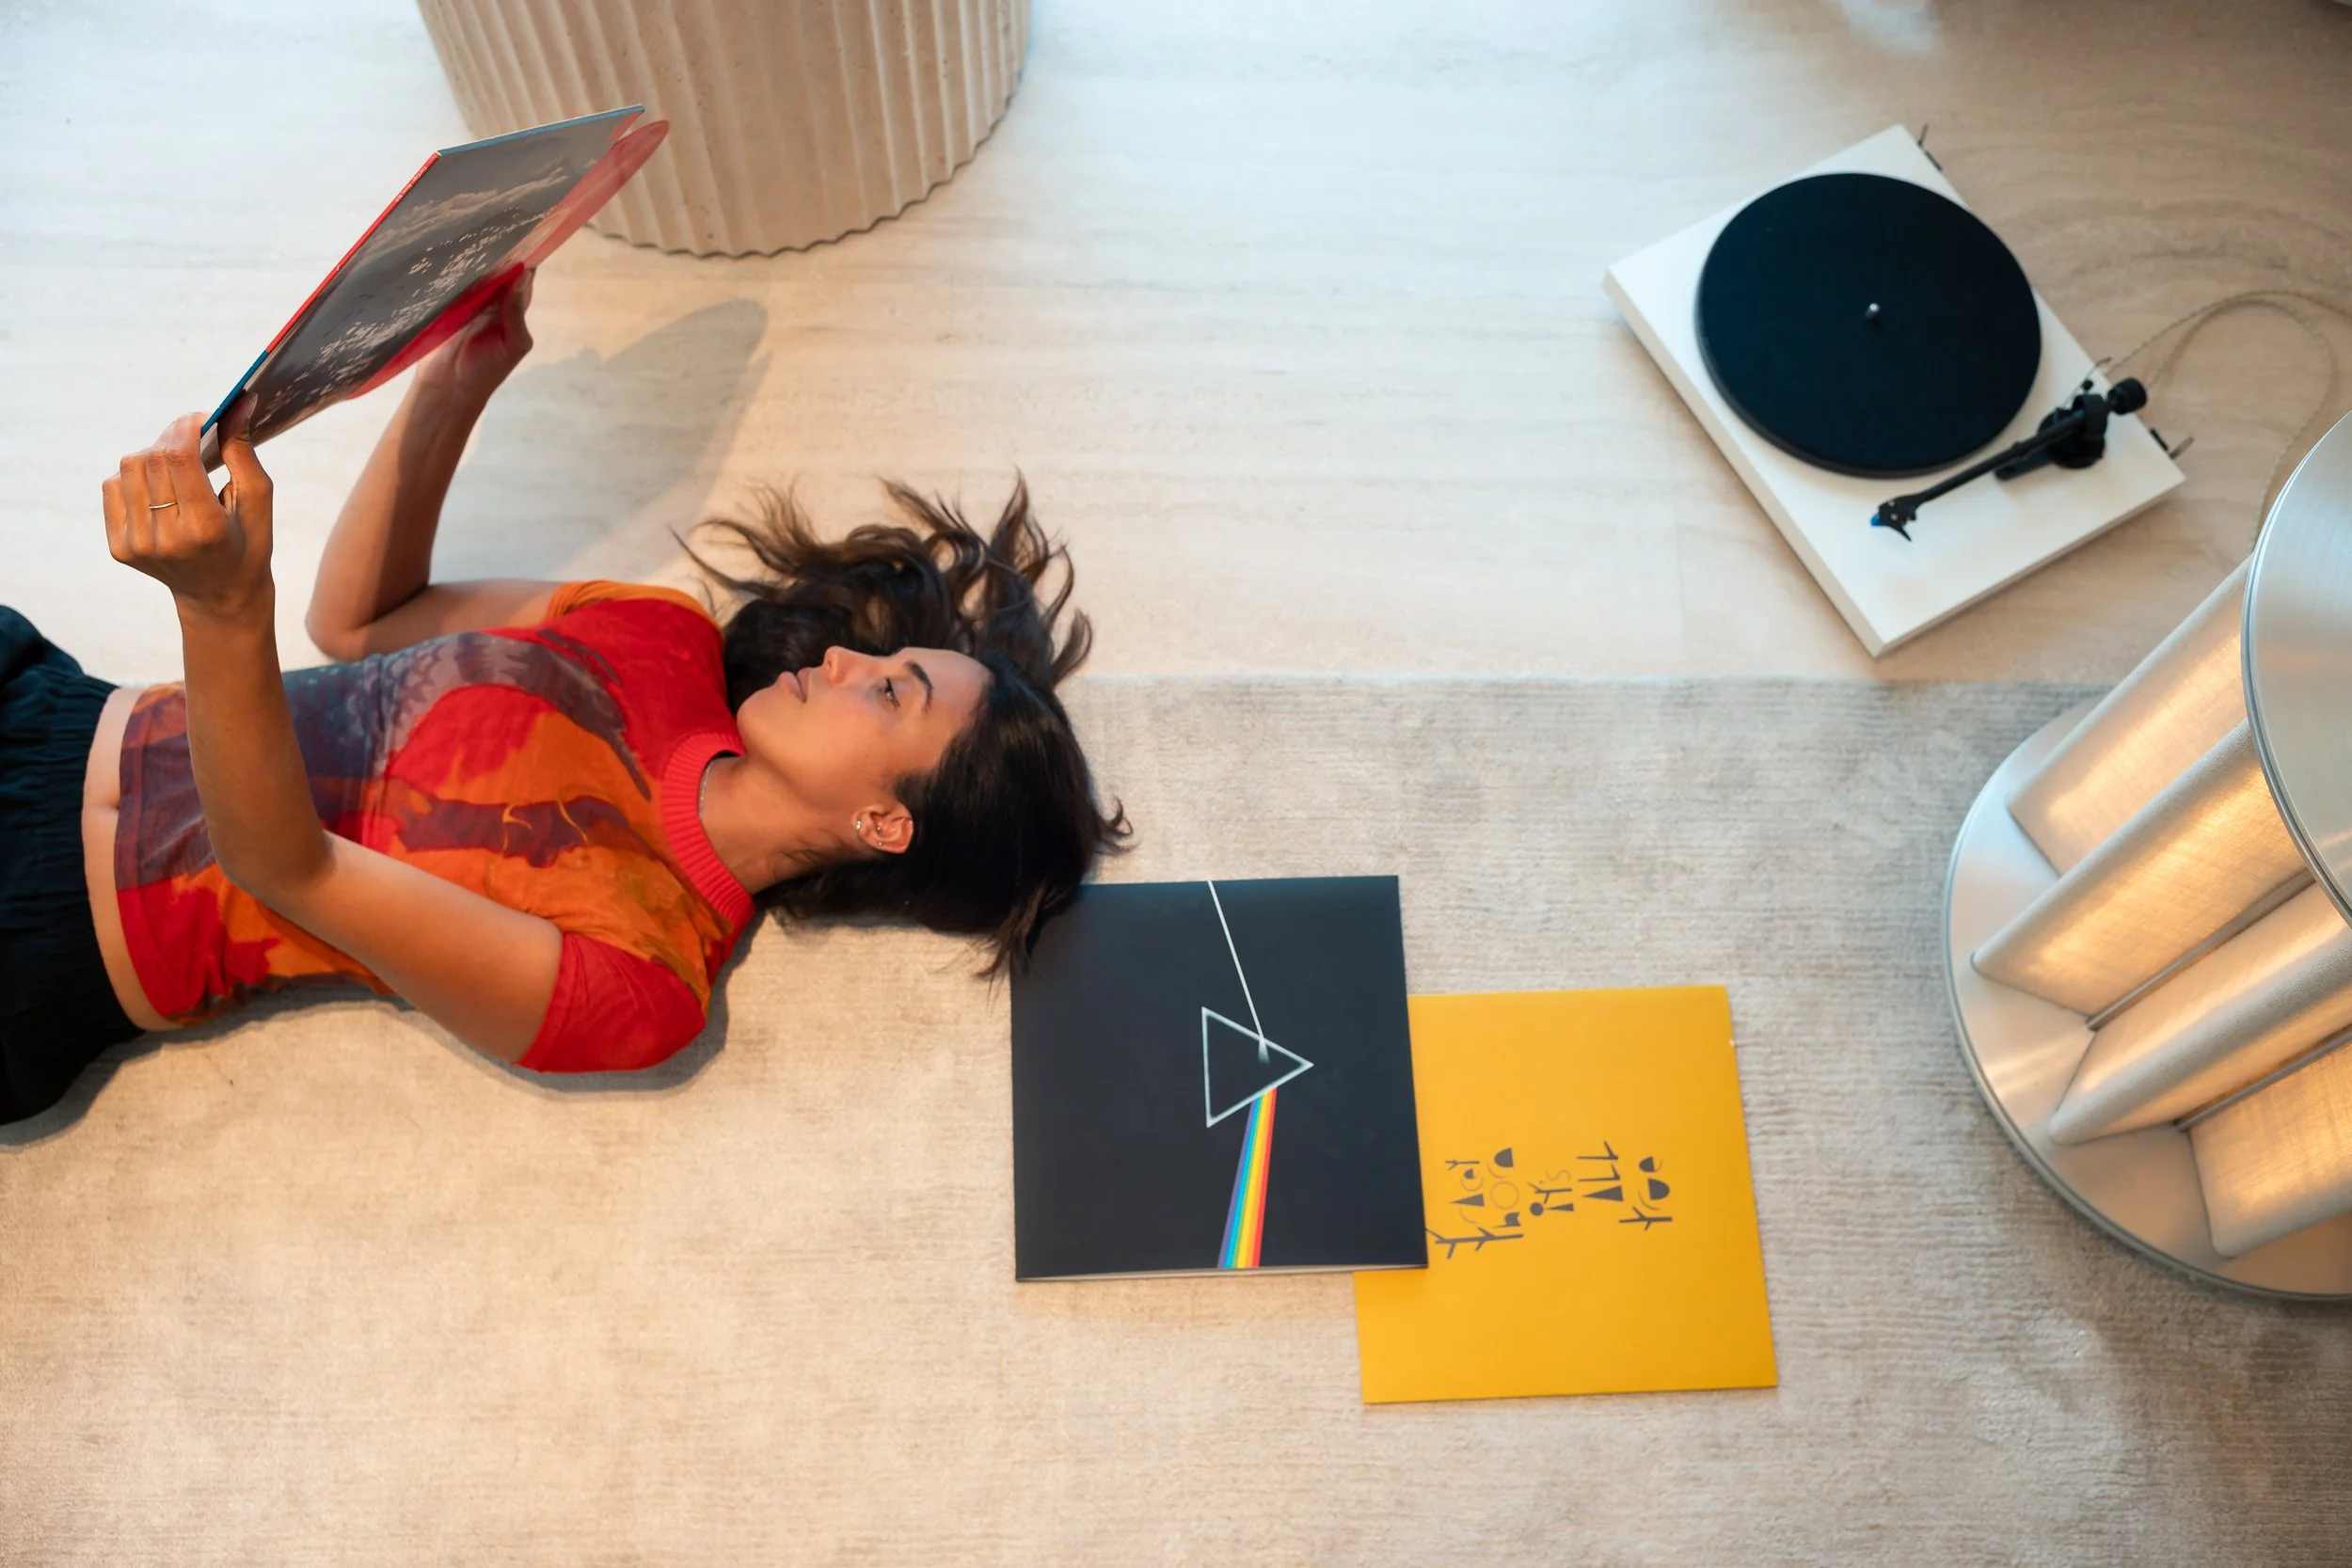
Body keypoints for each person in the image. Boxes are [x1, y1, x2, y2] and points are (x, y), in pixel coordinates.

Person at [0, 275, 1126, 1124]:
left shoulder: (646, 981)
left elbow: (286, 868)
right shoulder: (661, 637)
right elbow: (358, 623)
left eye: (891, 690)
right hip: (44, 710)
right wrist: (454, 385)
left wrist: (220, 607)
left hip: (48, 937)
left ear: (886, 822)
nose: (842, 661)